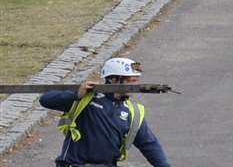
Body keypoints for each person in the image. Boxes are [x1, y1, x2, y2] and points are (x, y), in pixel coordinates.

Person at [38, 56, 172, 167]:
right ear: (113, 79)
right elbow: (45, 100)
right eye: (130, 81)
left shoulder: (133, 112)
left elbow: (148, 144)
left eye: (136, 81)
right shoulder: (87, 99)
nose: (134, 86)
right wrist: (76, 95)